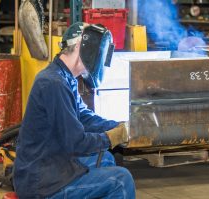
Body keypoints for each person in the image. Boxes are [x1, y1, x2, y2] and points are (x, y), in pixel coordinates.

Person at [13, 22, 136, 199]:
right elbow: (76, 142)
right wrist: (110, 138)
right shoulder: (53, 84)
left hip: (52, 163)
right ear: (81, 46)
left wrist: (120, 126)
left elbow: (84, 117)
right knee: (121, 180)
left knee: (107, 159)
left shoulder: (64, 77)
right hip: (41, 182)